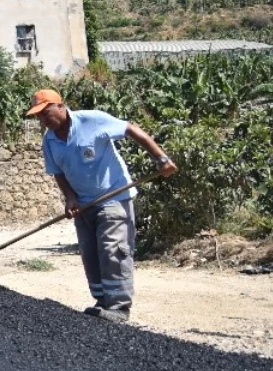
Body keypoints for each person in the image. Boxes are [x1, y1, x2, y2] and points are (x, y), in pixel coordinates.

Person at [27, 88, 179, 323]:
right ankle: (102, 302)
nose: (44, 120)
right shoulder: (49, 140)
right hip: (83, 206)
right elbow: (57, 172)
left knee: (113, 249)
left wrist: (161, 159)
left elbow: (132, 130)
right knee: (90, 255)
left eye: (47, 113)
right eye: (39, 116)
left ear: (61, 106)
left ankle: (119, 306)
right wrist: (69, 197)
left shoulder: (93, 120)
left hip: (113, 197)